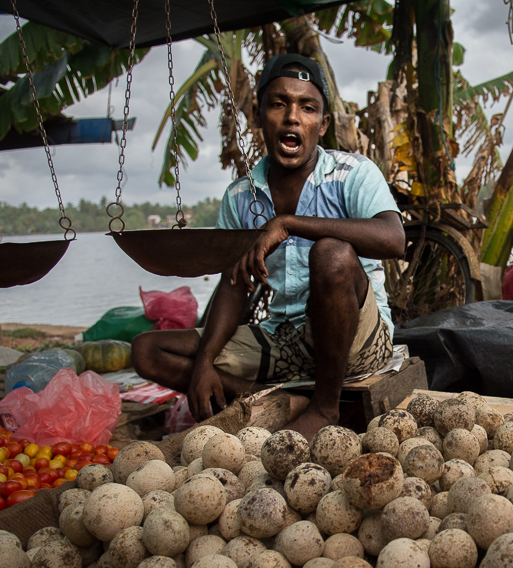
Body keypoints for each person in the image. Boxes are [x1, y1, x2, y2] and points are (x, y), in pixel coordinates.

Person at [132, 54, 406, 441]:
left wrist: (289, 224)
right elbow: (232, 286)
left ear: (322, 124)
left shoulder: (353, 174)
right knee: (147, 351)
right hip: (282, 342)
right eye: (279, 104)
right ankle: (275, 401)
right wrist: (205, 362)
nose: (293, 117)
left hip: (357, 341)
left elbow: (394, 239)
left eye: (308, 108)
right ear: (260, 116)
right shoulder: (241, 196)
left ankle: (324, 410)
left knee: (332, 254)